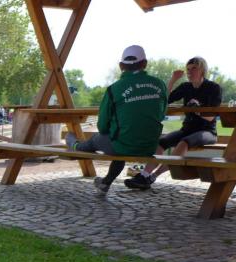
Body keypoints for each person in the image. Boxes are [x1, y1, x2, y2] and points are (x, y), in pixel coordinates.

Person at [64, 45, 168, 195]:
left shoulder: (114, 89)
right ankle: (105, 183)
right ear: (145, 64)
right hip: (150, 146)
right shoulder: (160, 85)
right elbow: (161, 114)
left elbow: (102, 126)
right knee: (122, 140)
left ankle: (75, 145)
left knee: (97, 140)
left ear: (121, 66)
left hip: (123, 145)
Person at [124, 56, 222, 190]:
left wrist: (197, 109)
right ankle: (144, 175)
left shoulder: (214, 88)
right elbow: (165, 99)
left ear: (202, 70)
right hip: (187, 129)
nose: (190, 72)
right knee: (161, 142)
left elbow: (211, 117)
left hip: (207, 131)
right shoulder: (186, 87)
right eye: (188, 69)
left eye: (194, 68)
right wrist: (173, 79)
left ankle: (152, 177)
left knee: (184, 142)